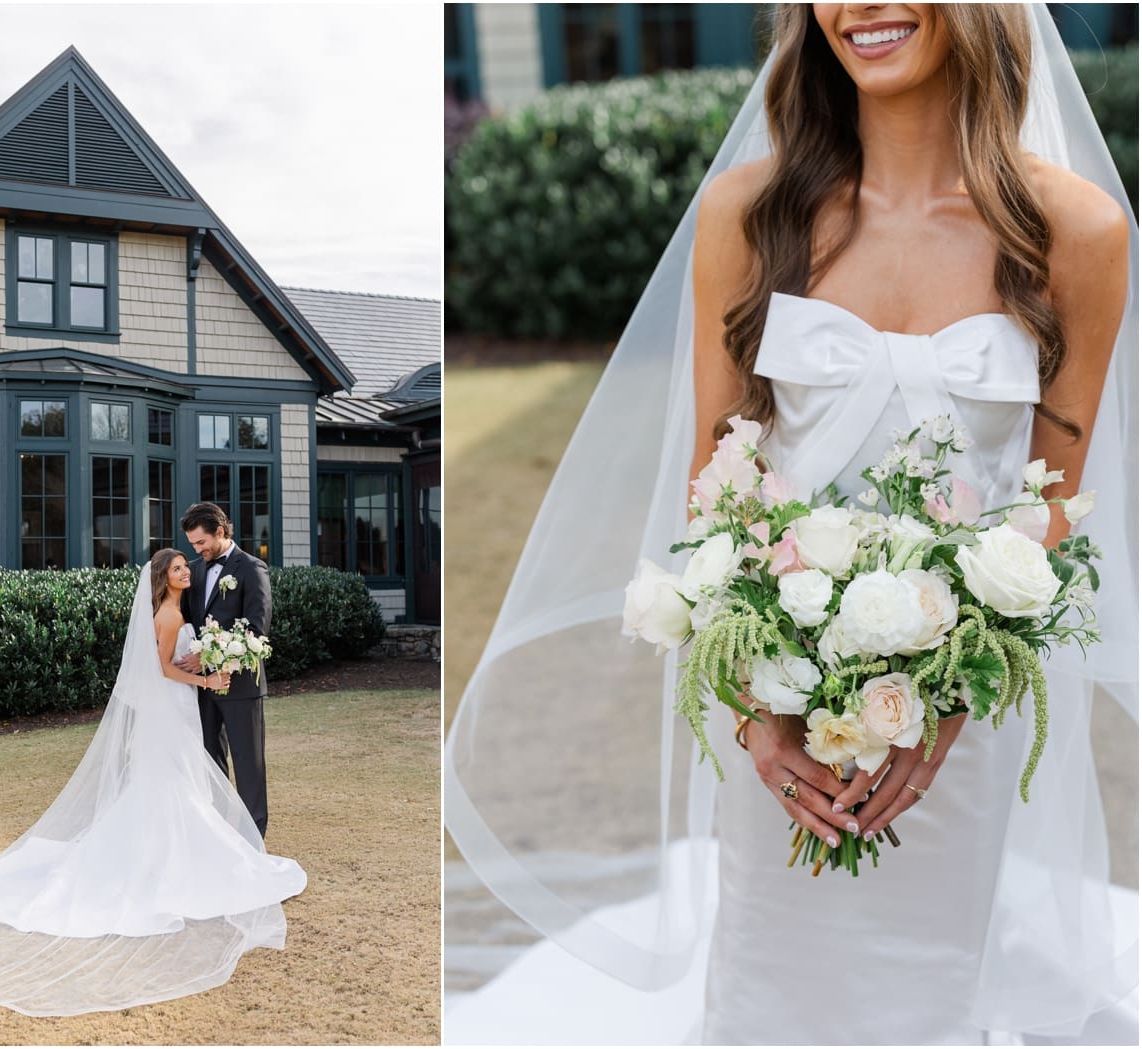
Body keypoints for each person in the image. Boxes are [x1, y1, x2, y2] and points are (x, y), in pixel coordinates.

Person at [444, 3, 1137, 1044]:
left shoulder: (1076, 232)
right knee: (769, 988)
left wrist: (945, 702)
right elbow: (713, 492)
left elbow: (1050, 504)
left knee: (934, 991)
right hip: (778, 708)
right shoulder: (748, 213)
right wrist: (754, 718)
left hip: (956, 730)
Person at [0, 548, 306, 1015]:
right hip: (172, 708)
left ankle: (171, 853)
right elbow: (164, 668)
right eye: (177, 568)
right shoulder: (169, 615)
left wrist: (205, 662)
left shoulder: (174, 610)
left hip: (174, 708)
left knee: (173, 784)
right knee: (173, 784)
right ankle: (166, 862)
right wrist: (207, 682)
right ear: (162, 579)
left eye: (185, 566)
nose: (186, 571)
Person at [174, 501, 273, 838]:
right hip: (202, 688)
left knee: (249, 767)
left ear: (220, 531)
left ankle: (253, 841)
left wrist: (208, 657)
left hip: (241, 687)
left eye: (201, 542)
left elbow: (256, 631)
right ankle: (218, 838)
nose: (197, 550)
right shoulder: (194, 570)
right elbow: (186, 621)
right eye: (192, 544)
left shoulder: (252, 568)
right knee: (209, 764)